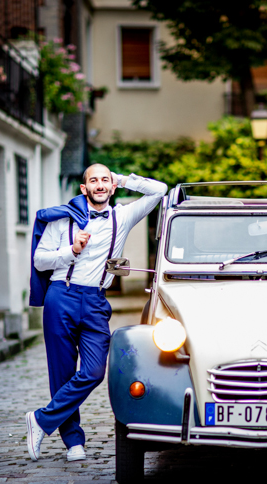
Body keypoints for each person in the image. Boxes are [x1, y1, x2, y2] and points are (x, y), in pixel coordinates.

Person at [25, 164, 167, 462]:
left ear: (112, 187)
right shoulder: (63, 220)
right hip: (61, 295)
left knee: (93, 371)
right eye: (93, 180)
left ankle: (40, 419)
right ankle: (73, 442)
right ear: (83, 188)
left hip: (95, 302)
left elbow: (160, 190)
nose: (100, 184)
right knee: (62, 375)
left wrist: (125, 178)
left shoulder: (122, 216)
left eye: (105, 180)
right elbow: (39, 260)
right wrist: (71, 252)